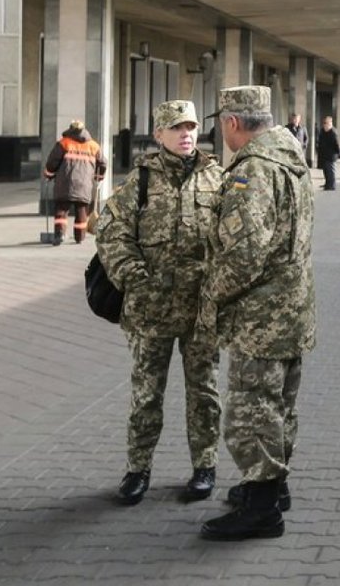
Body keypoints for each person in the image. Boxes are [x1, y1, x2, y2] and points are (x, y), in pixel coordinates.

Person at [198, 86, 315, 541]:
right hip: (292, 309)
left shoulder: (255, 170)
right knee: (280, 405)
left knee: (251, 409)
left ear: (231, 122)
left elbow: (244, 253)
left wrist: (211, 299)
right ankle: (272, 487)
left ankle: (262, 510)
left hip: (260, 319)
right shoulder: (292, 156)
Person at [96, 100, 225, 506]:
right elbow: (111, 233)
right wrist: (134, 278)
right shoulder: (141, 181)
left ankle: (204, 466)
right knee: (146, 394)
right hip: (150, 311)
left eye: (190, 127)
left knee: (203, 392)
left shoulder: (217, 177)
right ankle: (138, 469)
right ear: (159, 135)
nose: (187, 134)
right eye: (177, 128)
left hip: (201, 311)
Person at [43, 119, 107, 245]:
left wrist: (48, 175)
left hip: (64, 183)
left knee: (61, 209)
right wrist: (98, 178)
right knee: (81, 211)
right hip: (84, 184)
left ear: (70, 129)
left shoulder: (64, 143)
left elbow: (53, 161)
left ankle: (59, 235)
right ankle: (79, 237)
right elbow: (103, 163)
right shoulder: (93, 146)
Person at [316, 116, 340, 191]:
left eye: (326, 123)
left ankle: (332, 185)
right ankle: (327, 184)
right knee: (326, 171)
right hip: (323, 155)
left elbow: (336, 144)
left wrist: (337, 152)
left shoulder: (333, 132)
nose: (324, 125)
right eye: (324, 123)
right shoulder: (322, 131)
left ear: (330, 123)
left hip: (330, 156)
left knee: (331, 171)